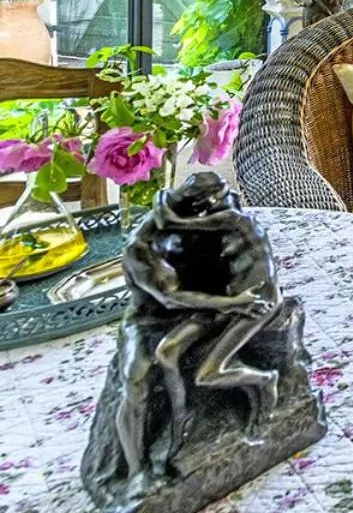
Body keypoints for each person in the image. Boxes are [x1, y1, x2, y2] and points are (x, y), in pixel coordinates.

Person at [112, 174, 286, 491]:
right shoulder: (142, 251)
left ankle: (193, 416)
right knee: (142, 375)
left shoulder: (229, 222)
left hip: (218, 306)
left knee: (199, 368)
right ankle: (146, 461)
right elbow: (170, 297)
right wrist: (234, 302)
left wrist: (233, 303)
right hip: (159, 318)